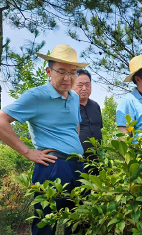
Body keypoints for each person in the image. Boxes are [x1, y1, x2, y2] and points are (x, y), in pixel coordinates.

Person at [0, 44, 88, 235]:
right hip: (53, 165)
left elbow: (76, 125)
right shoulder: (36, 95)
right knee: (45, 224)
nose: (68, 77)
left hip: (78, 166)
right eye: (61, 71)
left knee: (78, 222)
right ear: (49, 71)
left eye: (73, 72)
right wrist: (27, 152)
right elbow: (1, 121)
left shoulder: (73, 97)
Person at [72, 69, 103, 175]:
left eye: (87, 84)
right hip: (76, 160)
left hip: (97, 159)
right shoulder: (68, 106)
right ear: (72, 86)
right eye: (80, 85)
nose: (84, 88)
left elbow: (99, 128)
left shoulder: (95, 106)